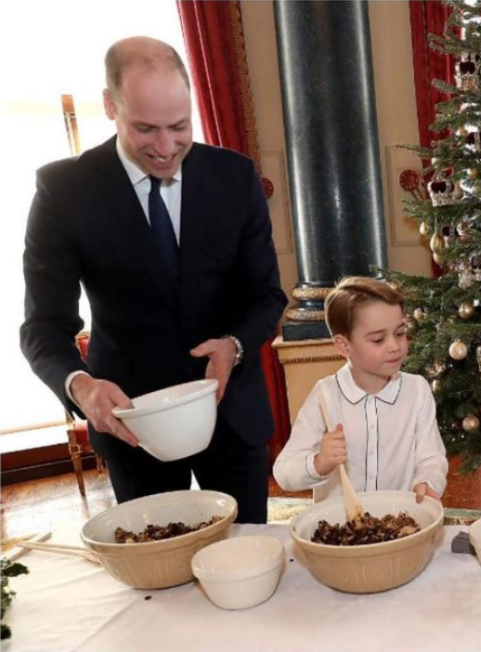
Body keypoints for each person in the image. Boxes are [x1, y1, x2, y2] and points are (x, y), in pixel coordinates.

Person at [20, 37, 287, 523]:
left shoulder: (235, 178)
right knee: (157, 582)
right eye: (146, 129)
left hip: (232, 418)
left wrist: (235, 345)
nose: (166, 149)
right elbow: (42, 327)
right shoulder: (64, 192)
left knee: (248, 571)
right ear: (109, 106)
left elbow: (266, 295)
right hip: (131, 427)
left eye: (179, 127)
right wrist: (81, 387)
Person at [273, 276, 448, 503]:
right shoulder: (325, 395)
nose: (395, 346)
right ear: (344, 345)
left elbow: (431, 458)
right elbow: (284, 472)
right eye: (378, 339)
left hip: (400, 522)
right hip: (341, 530)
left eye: (399, 333)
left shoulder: (417, 390)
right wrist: (319, 463)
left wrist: (427, 482)